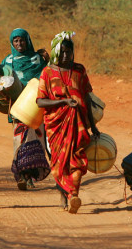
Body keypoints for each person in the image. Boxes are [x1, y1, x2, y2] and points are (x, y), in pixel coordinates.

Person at [36, 31, 100, 214]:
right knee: (59, 163)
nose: (66, 55)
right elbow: (40, 101)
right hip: (55, 126)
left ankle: (73, 196)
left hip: (79, 124)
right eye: (62, 52)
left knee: (77, 160)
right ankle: (64, 196)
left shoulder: (79, 70)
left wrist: (93, 125)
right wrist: (63, 102)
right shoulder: (48, 72)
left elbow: (87, 96)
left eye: (69, 51)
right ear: (56, 52)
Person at [1, 28, 50, 190]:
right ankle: (22, 176)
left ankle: (31, 177)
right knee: (20, 142)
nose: (19, 43)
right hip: (18, 109)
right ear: (12, 43)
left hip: (36, 108)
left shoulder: (37, 59)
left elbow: (46, 77)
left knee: (37, 141)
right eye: (16, 41)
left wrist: (48, 61)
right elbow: (0, 81)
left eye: (22, 40)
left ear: (27, 41)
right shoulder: (7, 61)